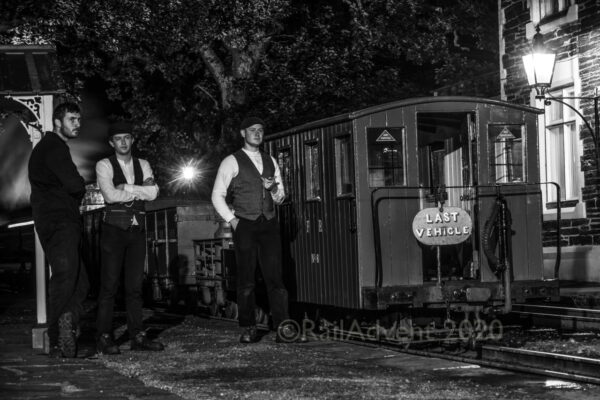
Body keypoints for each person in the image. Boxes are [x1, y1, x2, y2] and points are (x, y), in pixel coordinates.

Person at [212, 117, 304, 344]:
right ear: (243, 133)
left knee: (276, 277)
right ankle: (248, 327)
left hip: (269, 223)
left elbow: (281, 198)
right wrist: (232, 220)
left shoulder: (271, 160)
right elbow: (217, 195)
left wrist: (272, 187)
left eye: (260, 130)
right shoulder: (231, 161)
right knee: (246, 279)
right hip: (245, 224)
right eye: (252, 130)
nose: (257, 133)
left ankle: (284, 327)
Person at [95, 121, 163, 354]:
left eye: (127, 137)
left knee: (134, 287)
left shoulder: (143, 163)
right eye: (118, 138)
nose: (123, 142)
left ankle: (137, 336)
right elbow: (110, 195)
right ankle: (104, 336)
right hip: (113, 230)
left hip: (137, 230)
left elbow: (154, 193)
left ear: (132, 140)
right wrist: (138, 189)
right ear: (111, 142)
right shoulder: (104, 165)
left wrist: (126, 186)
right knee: (109, 286)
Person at [28, 102, 89, 358]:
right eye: (72, 119)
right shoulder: (54, 147)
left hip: (53, 220)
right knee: (66, 276)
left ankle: (67, 321)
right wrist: (78, 190)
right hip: (60, 220)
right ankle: (56, 332)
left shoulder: (48, 147)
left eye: (78, 119)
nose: (77, 124)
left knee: (80, 281)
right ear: (57, 121)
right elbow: (75, 184)